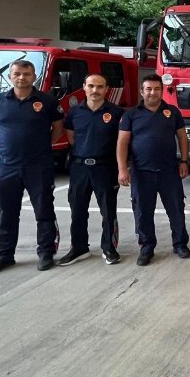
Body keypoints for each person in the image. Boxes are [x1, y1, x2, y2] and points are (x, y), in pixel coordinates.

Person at [0, 60, 63, 273]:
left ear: (34, 76)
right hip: (7, 167)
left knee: (44, 211)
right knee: (7, 213)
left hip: (38, 166)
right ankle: (5, 254)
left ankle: (46, 253)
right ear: (10, 76)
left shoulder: (47, 101)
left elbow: (58, 128)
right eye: (17, 73)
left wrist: (42, 148)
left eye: (26, 74)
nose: (21, 77)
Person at [117, 74, 190, 266]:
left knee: (176, 209)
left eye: (156, 89)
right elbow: (122, 142)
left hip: (169, 172)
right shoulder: (131, 114)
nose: (153, 93)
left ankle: (180, 244)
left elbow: (182, 137)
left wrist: (184, 161)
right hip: (141, 172)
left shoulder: (172, 112)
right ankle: (147, 247)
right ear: (142, 91)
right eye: (148, 89)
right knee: (142, 212)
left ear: (161, 90)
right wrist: (122, 169)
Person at [58, 74, 124, 266]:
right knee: (77, 210)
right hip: (79, 167)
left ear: (107, 89)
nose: (95, 90)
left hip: (106, 167)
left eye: (100, 87)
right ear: (84, 87)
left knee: (108, 211)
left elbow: (122, 142)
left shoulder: (117, 112)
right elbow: (71, 138)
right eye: (91, 86)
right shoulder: (74, 112)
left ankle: (109, 248)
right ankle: (79, 248)